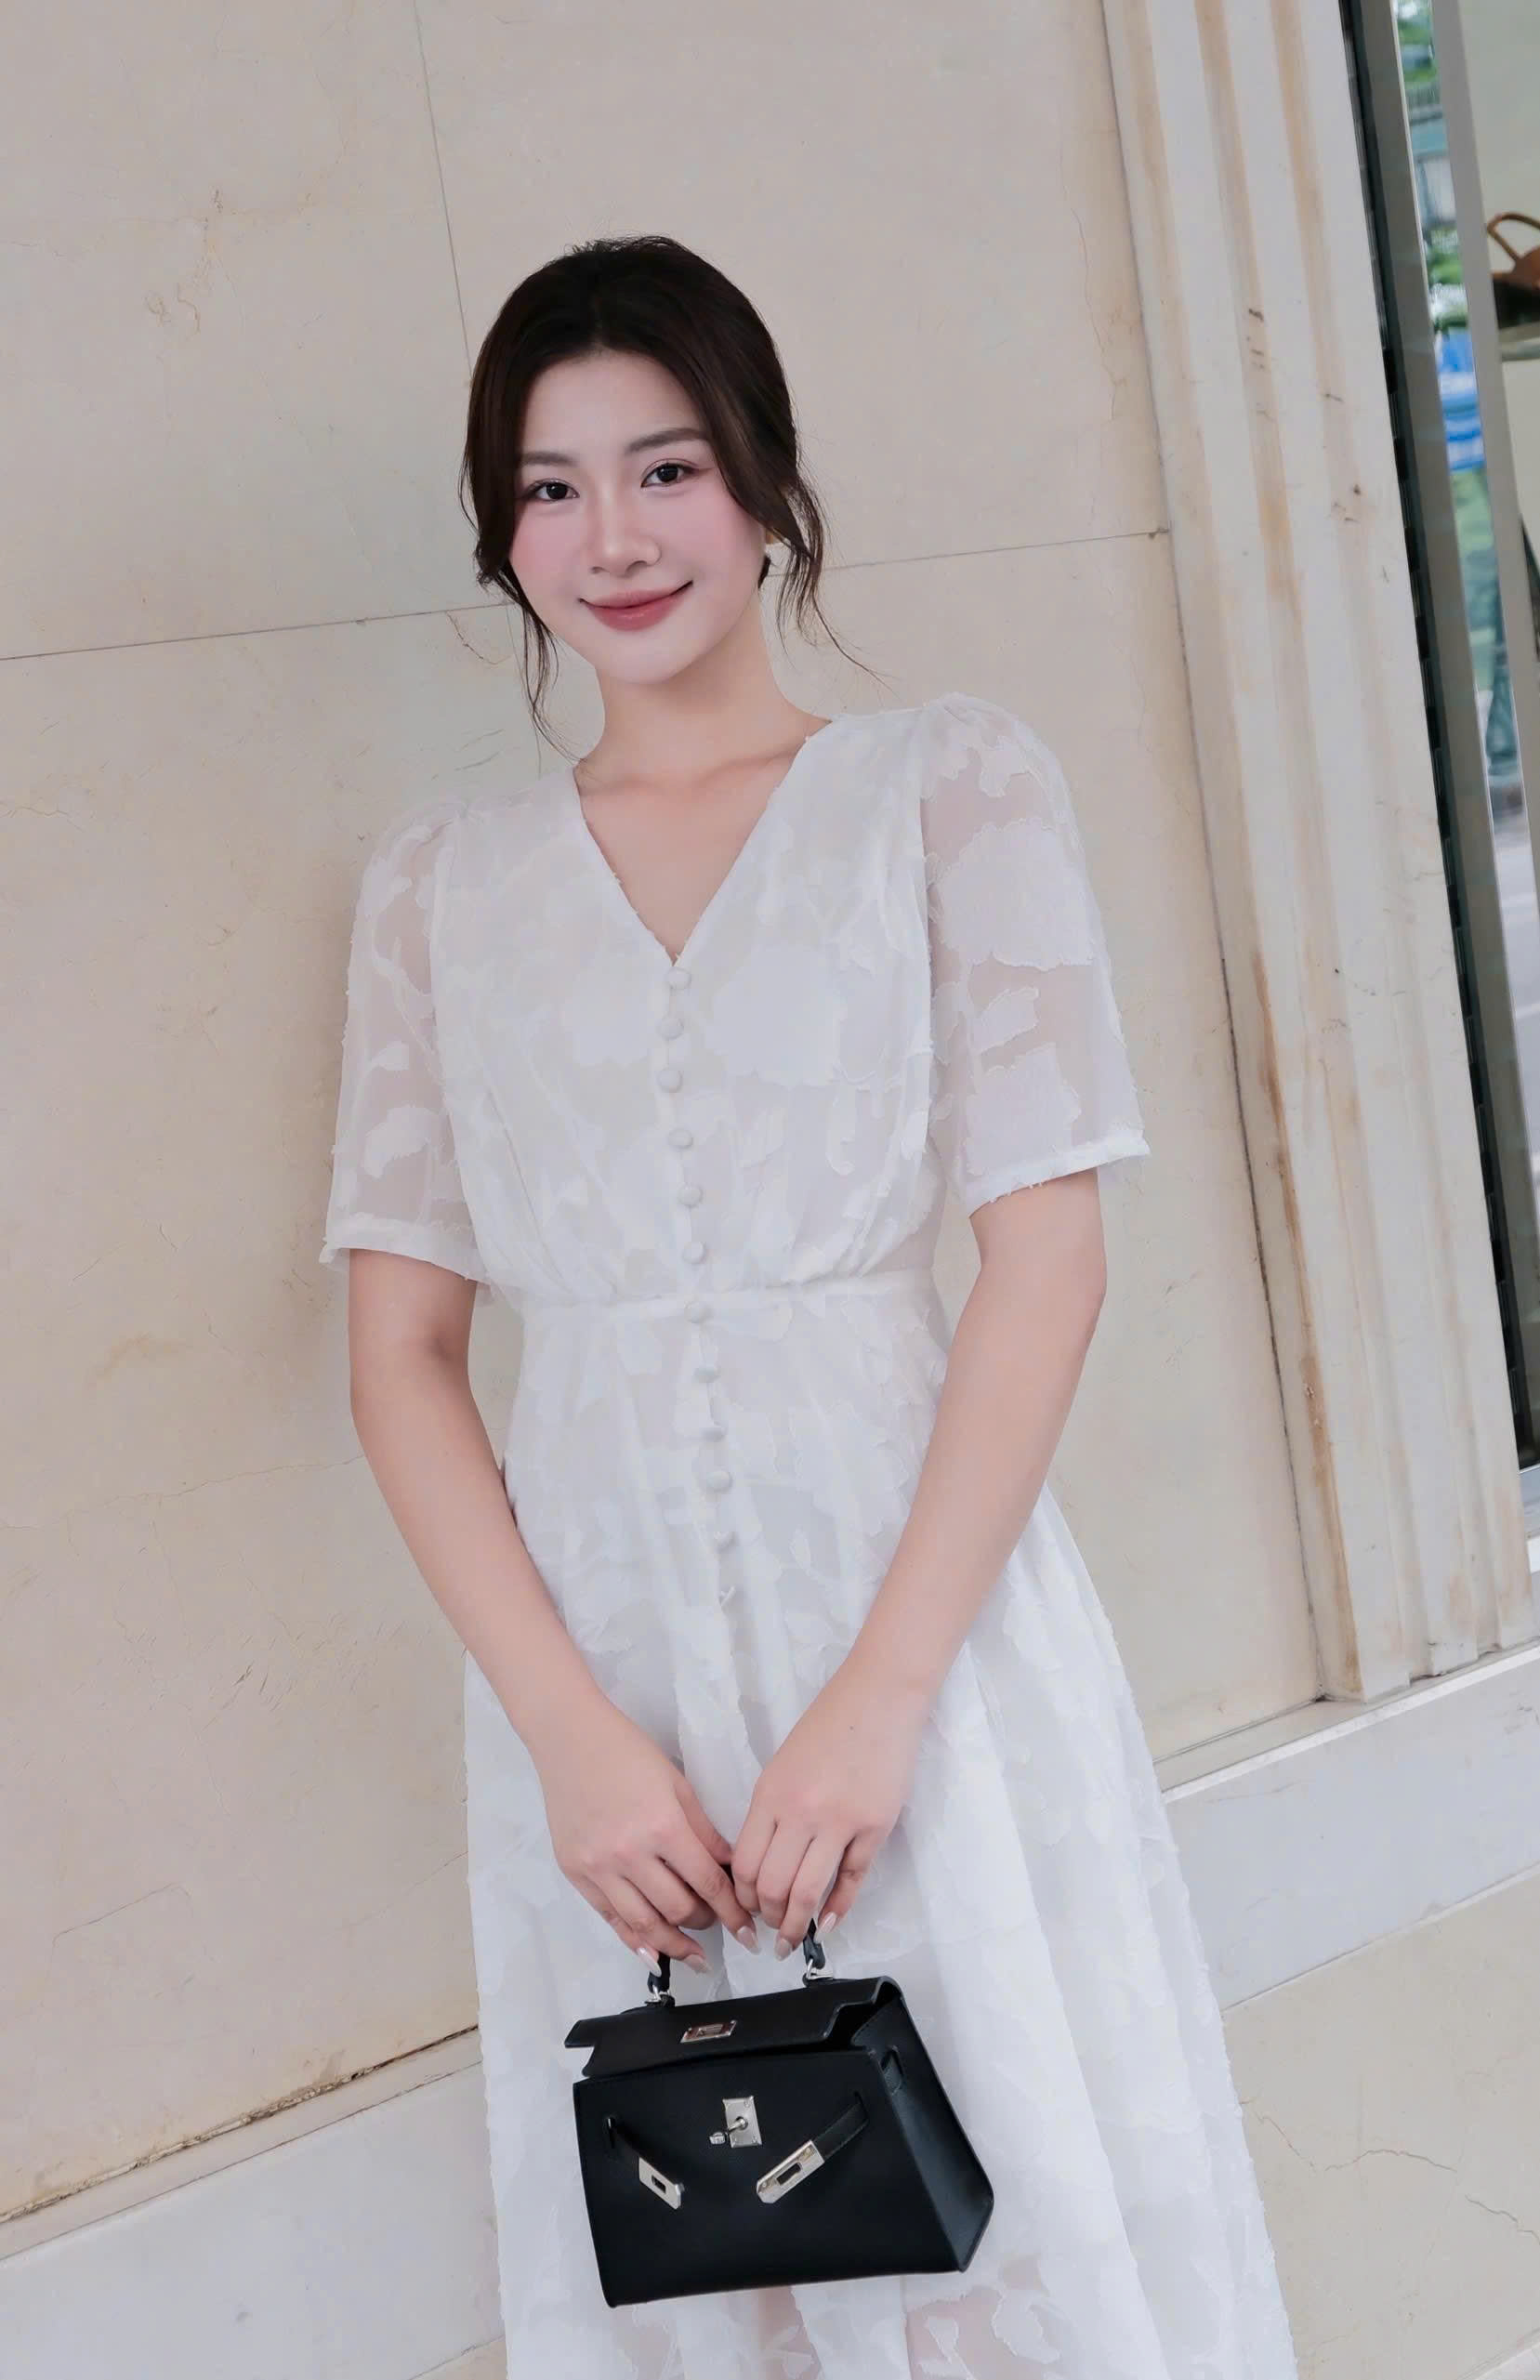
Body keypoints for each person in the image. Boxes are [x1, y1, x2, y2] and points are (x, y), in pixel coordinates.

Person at [319, 234, 1298, 2379]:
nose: (612, 536)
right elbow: (400, 1358)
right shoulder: (438, 887)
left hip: (917, 1623)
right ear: (500, 531)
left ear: (764, 480)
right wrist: (574, 1739)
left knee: (1014, 2208)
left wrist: (882, 1697)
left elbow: (1046, 1263)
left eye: (664, 467)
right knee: (704, 2259)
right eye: (550, 486)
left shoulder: (945, 790)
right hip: (603, 1683)